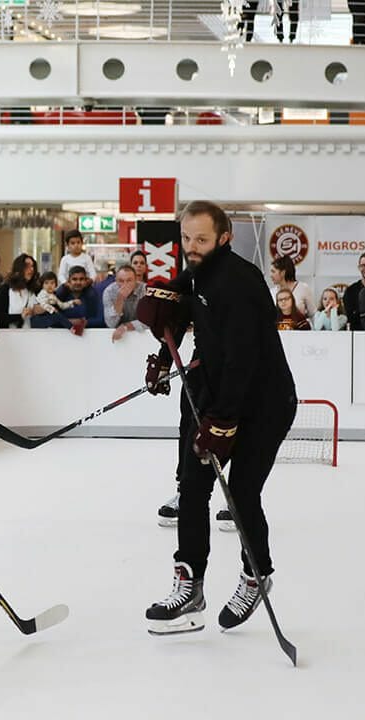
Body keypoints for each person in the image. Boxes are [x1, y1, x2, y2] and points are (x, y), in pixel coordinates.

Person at [139, 200, 297, 635]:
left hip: (264, 403)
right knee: (191, 488)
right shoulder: (199, 272)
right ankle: (189, 589)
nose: (191, 247)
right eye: (186, 238)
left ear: (224, 238)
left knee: (242, 494)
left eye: (201, 240)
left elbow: (242, 362)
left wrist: (222, 422)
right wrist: (160, 349)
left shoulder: (239, 282)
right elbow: (185, 306)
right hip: (216, 393)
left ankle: (256, 573)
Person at [342, 251, 365, 323]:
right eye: (363, 265)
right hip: (356, 332)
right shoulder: (350, 291)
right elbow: (348, 317)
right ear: (359, 267)